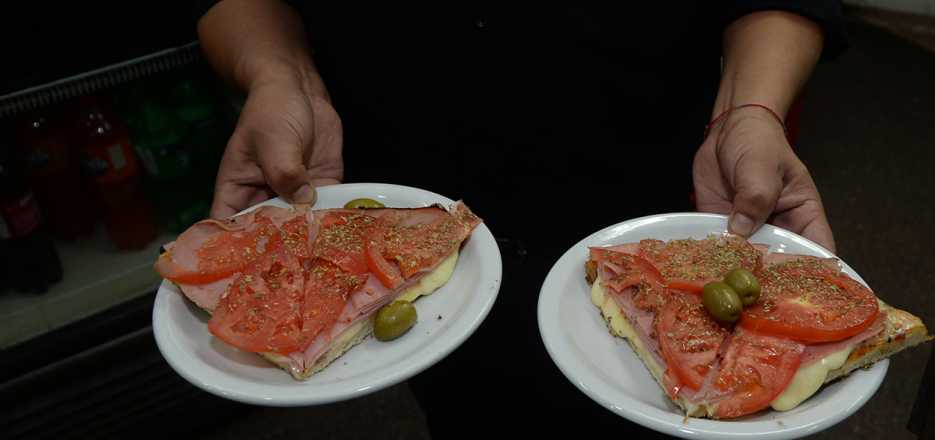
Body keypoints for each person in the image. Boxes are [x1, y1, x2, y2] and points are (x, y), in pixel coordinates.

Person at [196, 1, 845, 436]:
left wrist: (749, 109)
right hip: (416, 220)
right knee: (469, 411)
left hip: (650, 206)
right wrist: (279, 73)